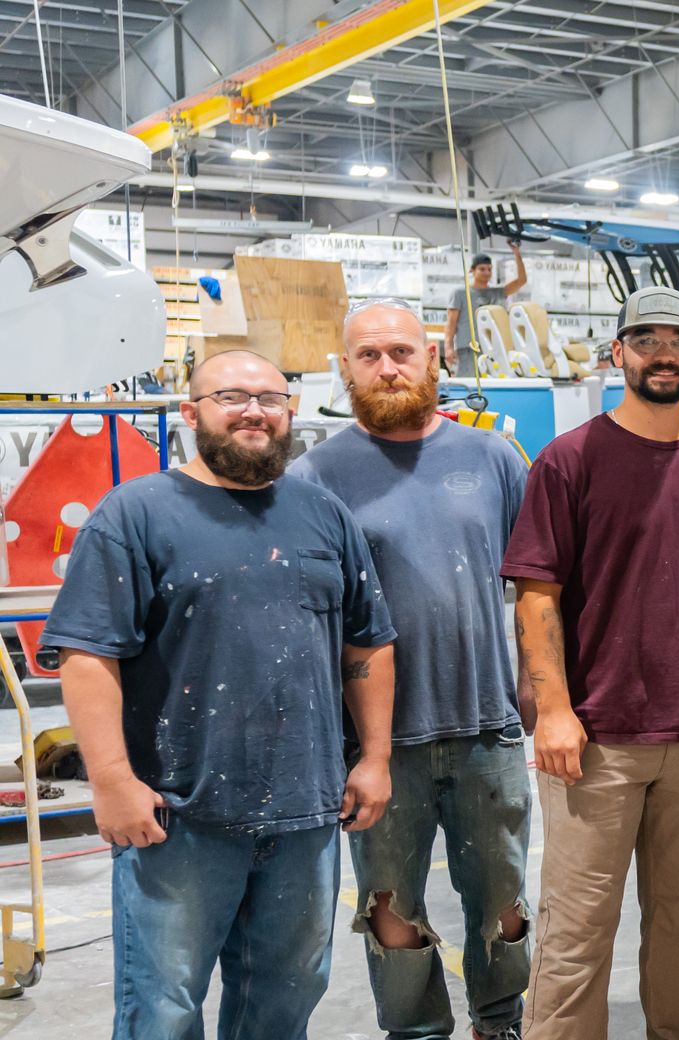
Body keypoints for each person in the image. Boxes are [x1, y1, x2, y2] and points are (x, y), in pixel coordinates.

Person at [46, 349, 397, 1038]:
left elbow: (369, 642)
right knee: (165, 1010)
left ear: (290, 412)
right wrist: (112, 780)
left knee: (283, 1003)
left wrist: (376, 757)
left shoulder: (323, 514)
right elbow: (87, 655)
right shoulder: (135, 514)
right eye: (232, 397)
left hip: (306, 814)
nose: (254, 412)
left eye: (271, 399)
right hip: (178, 819)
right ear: (191, 412)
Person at [507, 286, 679, 1039]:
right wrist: (553, 710)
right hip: (594, 739)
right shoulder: (569, 459)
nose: (664, 353)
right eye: (645, 338)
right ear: (617, 353)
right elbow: (536, 596)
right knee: (579, 929)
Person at [292, 302, 533, 1040]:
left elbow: (538, 589)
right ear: (344, 368)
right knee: (390, 908)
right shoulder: (316, 475)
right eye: (369, 355)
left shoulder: (492, 460)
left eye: (401, 351)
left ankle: (501, 1024)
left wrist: (540, 690)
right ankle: (416, 1031)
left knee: (506, 902)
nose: (387, 367)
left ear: (434, 358)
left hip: (489, 727)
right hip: (377, 744)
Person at [447, 243, 530, 374]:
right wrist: (448, 347)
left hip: (494, 350)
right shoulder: (460, 293)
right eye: (482, 269)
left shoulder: (498, 292)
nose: (487, 273)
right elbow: (451, 324)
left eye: (489, 269)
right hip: (468, 350)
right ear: (472, 271)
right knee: (469, 386)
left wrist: (517, 253)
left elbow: (522, 280)